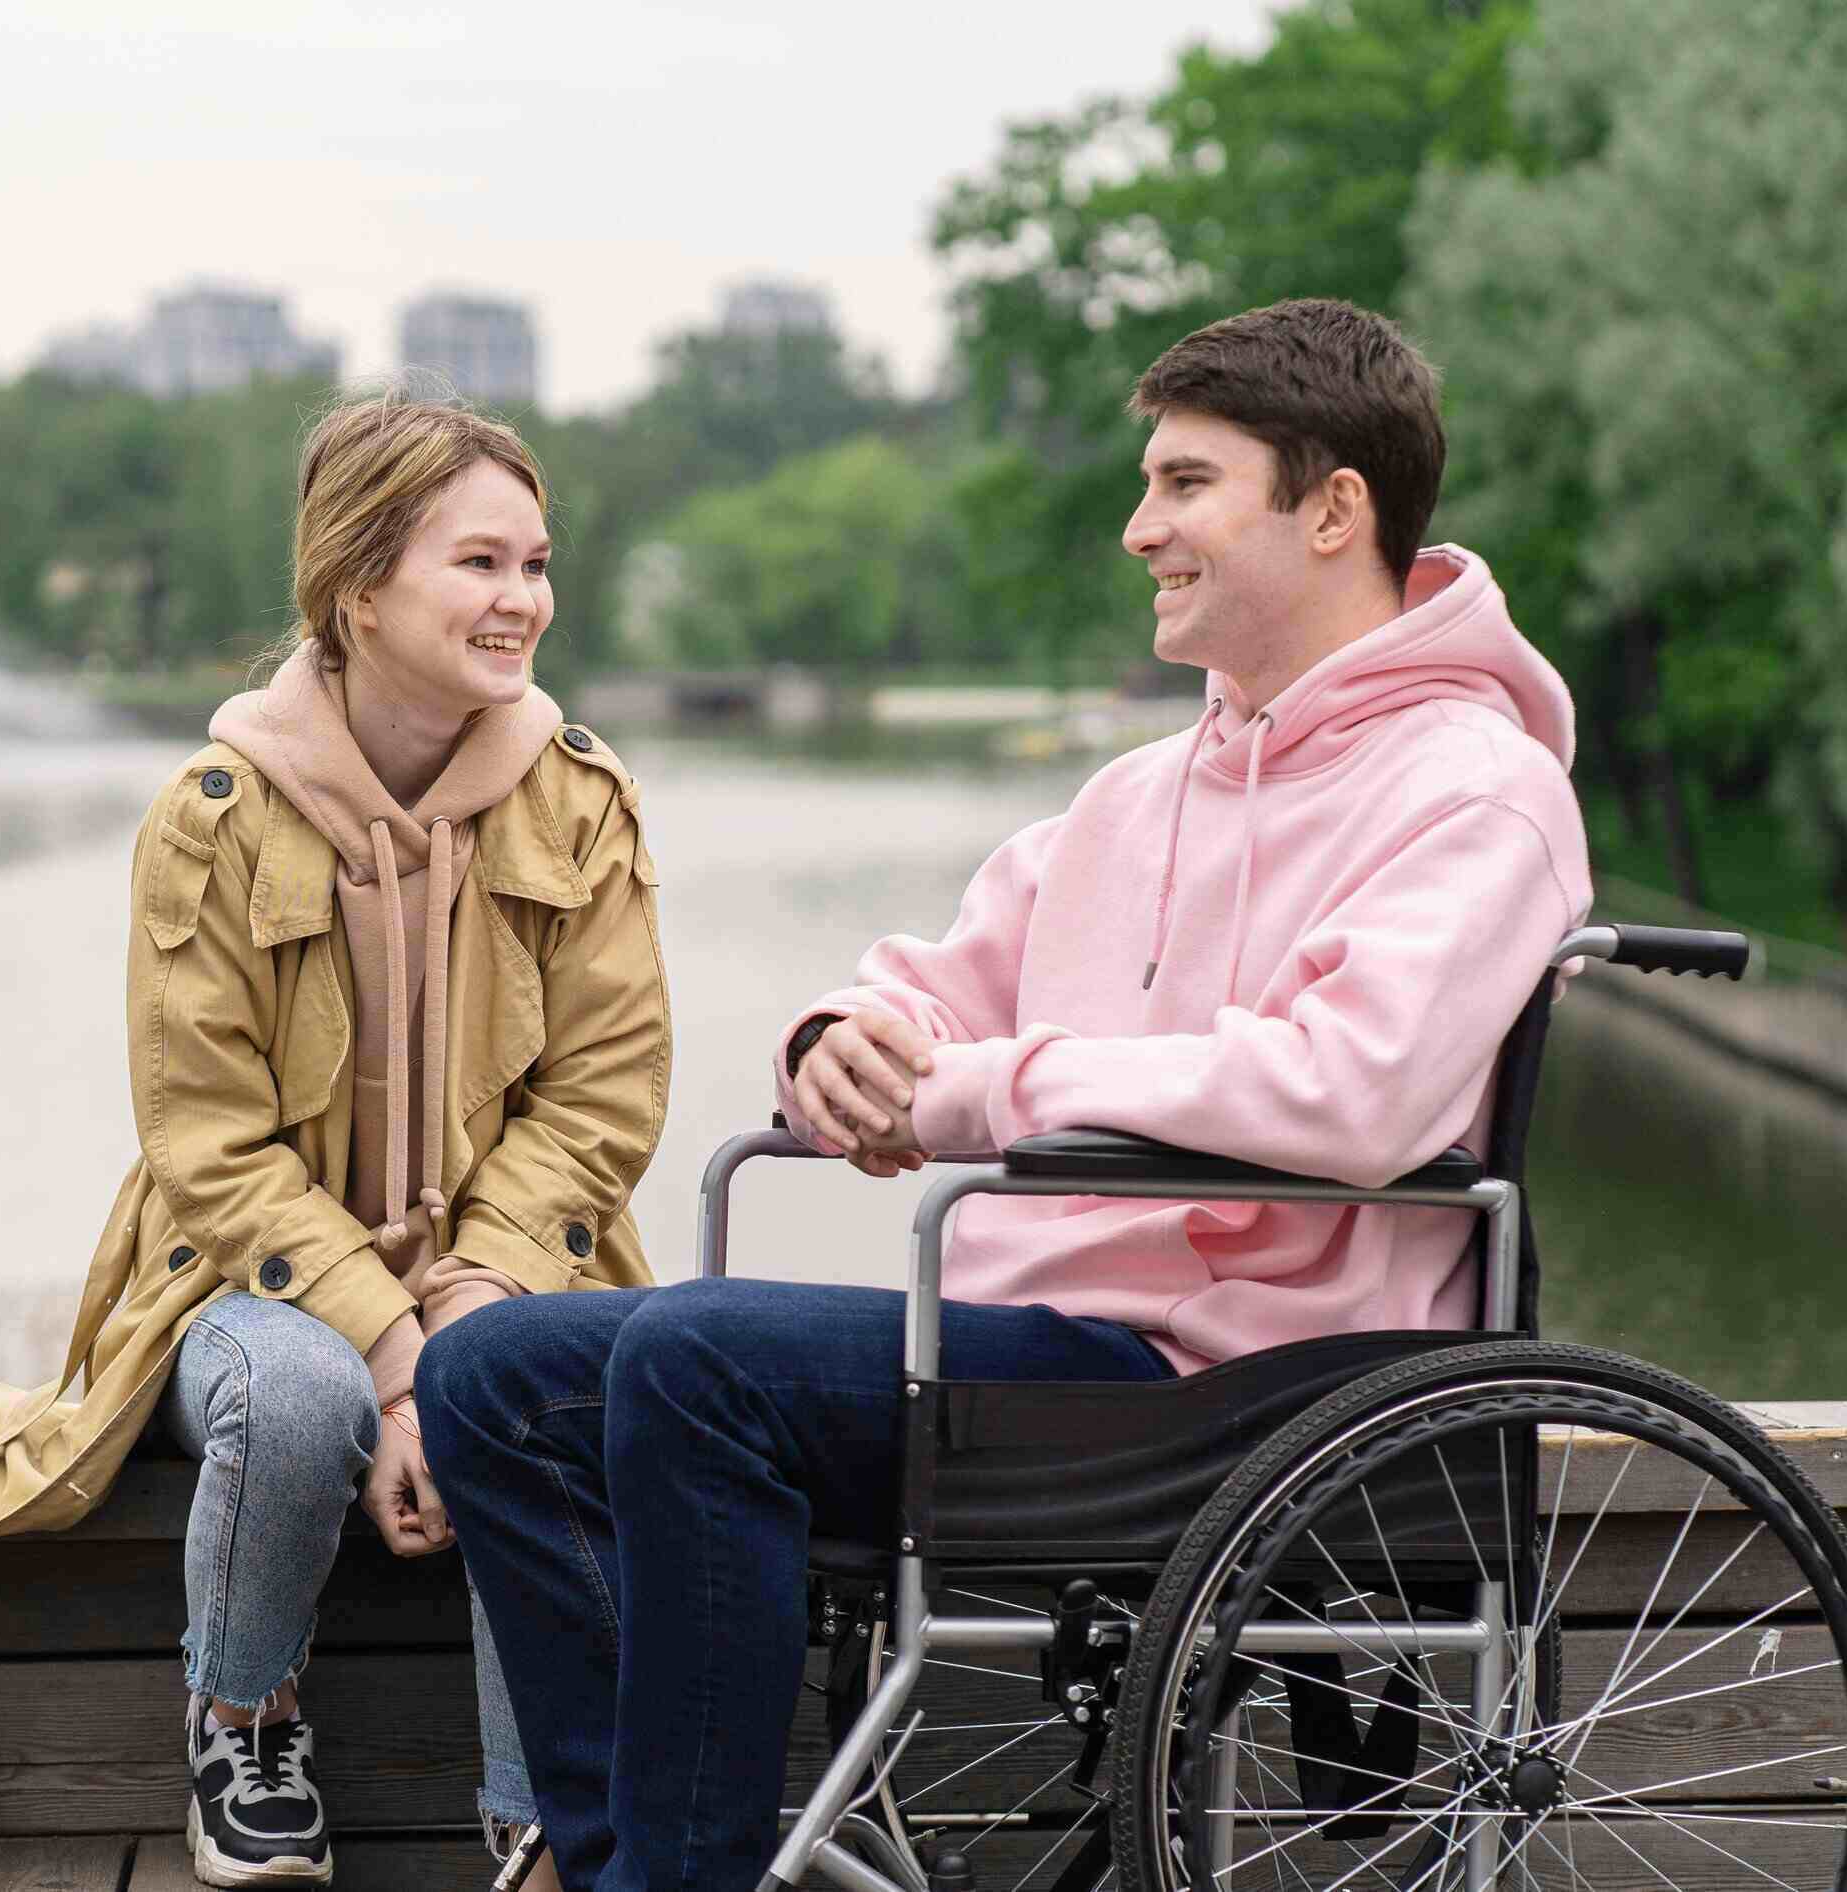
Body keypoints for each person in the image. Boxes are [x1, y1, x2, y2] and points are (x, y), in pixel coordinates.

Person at [419, 299, 1592, 1891]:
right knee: (493, 1369)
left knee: (701, 1357)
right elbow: (942, 983)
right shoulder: (1138, 794)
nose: (1138, 527)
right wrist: (845, 1036)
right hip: (1036, 1353)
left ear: (1333, 510)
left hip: (1244, 1385)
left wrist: (978, 1094)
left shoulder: (1477, 790)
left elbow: (1351, 1097)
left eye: (1185, 484)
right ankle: (613, 1852)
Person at [0, 391, 671, 1889]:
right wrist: (397, 1357)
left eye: (535, 563)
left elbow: (601, 1097)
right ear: (359, 585)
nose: (522, 600)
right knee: (289, 1396)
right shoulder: (213, 815)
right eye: (479, 564)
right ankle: (241, 1711)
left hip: (510, 1274)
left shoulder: (578, 801)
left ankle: (545, 1814)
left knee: (537, 1395)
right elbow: (208, 1141)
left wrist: (456, 1326)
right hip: (245, 1281)